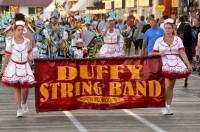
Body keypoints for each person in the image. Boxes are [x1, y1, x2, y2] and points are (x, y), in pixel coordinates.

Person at [152, 18, 192, 115]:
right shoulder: (159, 40)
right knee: (167, 85)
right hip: (164, 63)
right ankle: (164, 106)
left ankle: (168, 106)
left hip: (176, 63)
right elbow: (153, 53)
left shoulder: (178, 39)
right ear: (164, 29)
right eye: (166, 28)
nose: (167, 30)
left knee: (171, 87)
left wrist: (188, 64)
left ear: (173, 28)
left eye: (169, 28)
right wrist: (159, 54)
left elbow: (182, 52)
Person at [0, 13, 36, 118]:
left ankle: (24, 102)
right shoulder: (10, 42)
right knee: (17, 88)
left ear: (23, 29)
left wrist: (30, 56)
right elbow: (6, 56)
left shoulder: (27, 41)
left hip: (25, 66)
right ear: (14, 30)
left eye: (21, 29)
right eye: (18, 29)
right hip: (14, 66)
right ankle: (19, 109)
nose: (20, 31)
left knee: (25, 88)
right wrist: (3, 69)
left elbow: (30, 50)